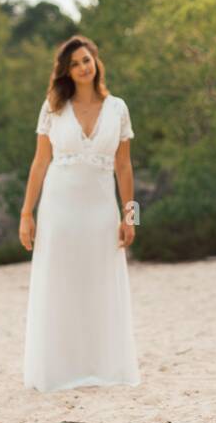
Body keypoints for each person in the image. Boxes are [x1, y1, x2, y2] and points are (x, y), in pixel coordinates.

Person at [20, 34, 140, 390]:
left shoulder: (118, 108)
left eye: (86, 60)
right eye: (74, 64)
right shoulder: (53, 107)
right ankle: (59, 371)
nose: (82, 67)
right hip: (59, 209)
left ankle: (105, 368)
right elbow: (40, 162)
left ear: (96, 62)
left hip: (101, 209)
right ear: (66, 72)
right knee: (61, 284)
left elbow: (125, 167)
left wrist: (129, 215)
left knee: (100, 284)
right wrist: (27, 213)